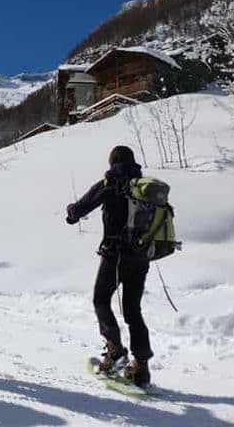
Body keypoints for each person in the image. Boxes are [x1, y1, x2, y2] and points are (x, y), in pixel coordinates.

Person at [65, 145, 153, 387]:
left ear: (112, 162)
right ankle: (141, 367)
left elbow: (81, 208)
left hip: (115, 255)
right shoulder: (145, 187)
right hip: (141, 257)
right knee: (133, 310)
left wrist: (71, 213)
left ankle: (114, 351)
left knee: (101, 300)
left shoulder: (111, 182)